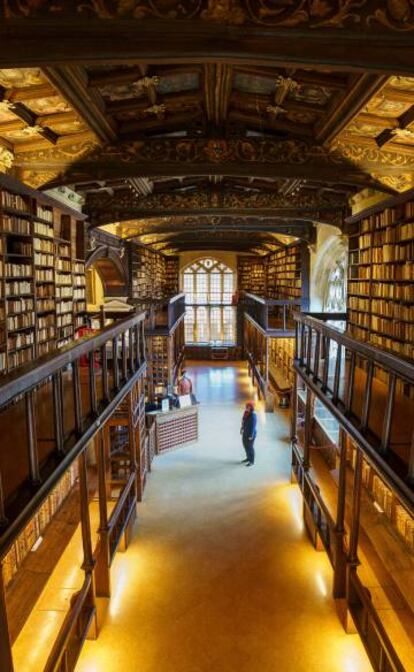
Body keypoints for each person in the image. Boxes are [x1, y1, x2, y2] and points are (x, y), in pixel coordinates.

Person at [240, 401, 257, 467]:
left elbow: (253, 427)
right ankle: (248, 458)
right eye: (246, 406)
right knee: (245, 446)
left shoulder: (253, 416)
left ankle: (251, 461)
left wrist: (251, 436)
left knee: (250, 447)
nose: (246, 407)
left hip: (250, 435)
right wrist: (241, 429)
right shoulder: (246, 413)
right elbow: (243, 422)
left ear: (251, 408)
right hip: (245, 433)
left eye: (248, 406)